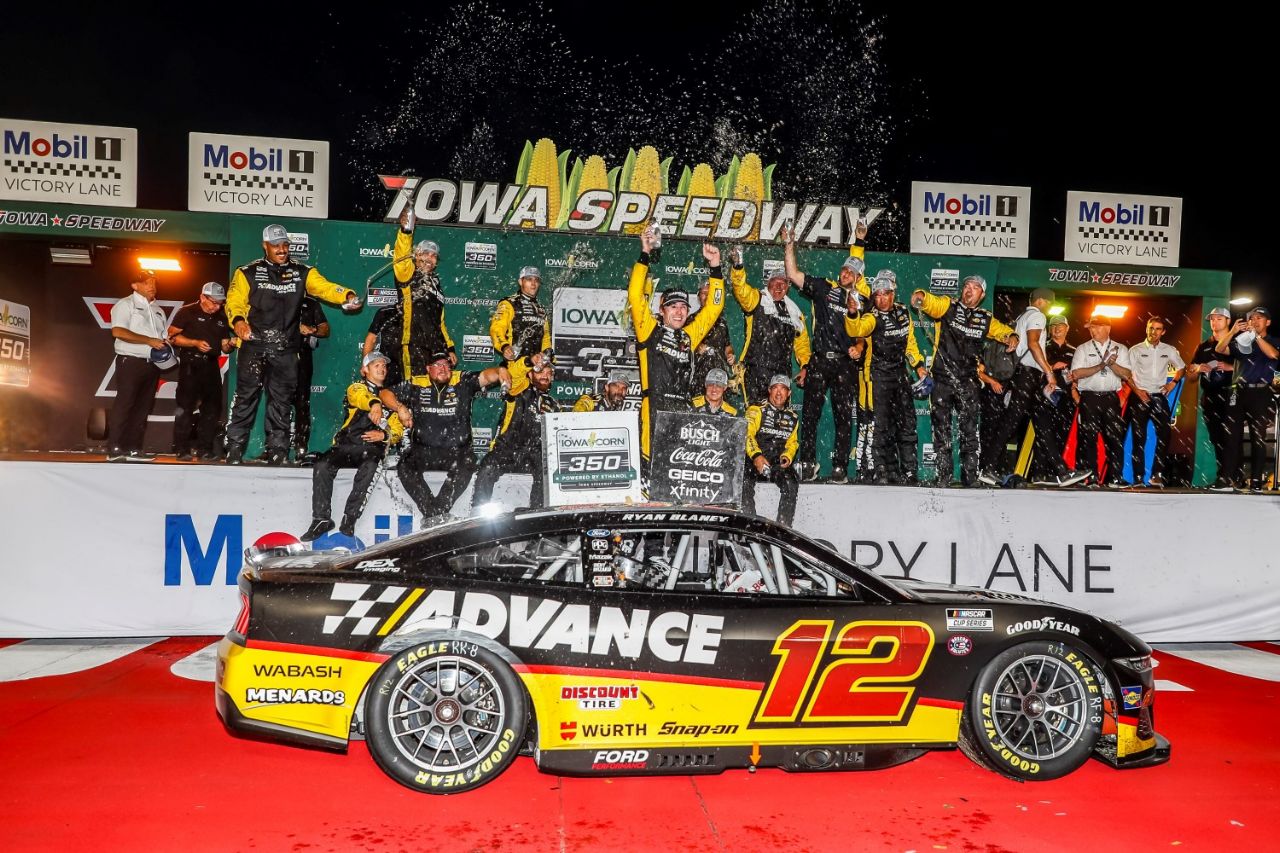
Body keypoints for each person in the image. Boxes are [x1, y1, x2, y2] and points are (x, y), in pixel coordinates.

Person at [225, 224, 360, 466]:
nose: (282, 249)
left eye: (285, 245)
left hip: (286, 349)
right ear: (265, 245)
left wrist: (346, 295)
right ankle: (234, 449)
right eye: (276, 245)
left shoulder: (302, 272)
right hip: (254, 346)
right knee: (246, 398)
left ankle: (277, 451)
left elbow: (325, 287)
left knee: (281, 402)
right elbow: (234, 301)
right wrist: (237, 322)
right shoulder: (247, 272)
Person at [910, 275, 1018, 487]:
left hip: (968, 381)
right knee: (941, 430)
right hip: (942, 379)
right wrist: (921, 296)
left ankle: (970, 477)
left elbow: (1003, 331)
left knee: (969, 431)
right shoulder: (948, 306)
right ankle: (944, 477)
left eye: (975, 287)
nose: (969, 290)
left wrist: (1012, 336)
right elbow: (931, 302)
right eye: (967, 286)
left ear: (982, 294)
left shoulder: (985, 318)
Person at [380, 351, 509, 523]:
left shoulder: (461, 380)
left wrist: (501, 371)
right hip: (423, 451)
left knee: (469, 461)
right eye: (437, 365)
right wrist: (400, 408)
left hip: (457, 452)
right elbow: (384, 394)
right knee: (405, 466)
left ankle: (435, 513)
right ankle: (435, 514)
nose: (443, 369)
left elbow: (487, 376)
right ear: (428, 368)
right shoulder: (417, 383)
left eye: (446, 365)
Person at [628, 231, 725, 460]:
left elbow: (715, 307)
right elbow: (634, 295)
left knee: (678, 465)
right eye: (673, 306)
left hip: (682, 408)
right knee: (652, 465)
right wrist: (645, 253)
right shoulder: (649, 330)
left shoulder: (689, 336)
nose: (679, 311)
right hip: (655, 406)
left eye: (683, 306)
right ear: (662, 310)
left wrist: (716, 267)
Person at [785, 222, 866, 483]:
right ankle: (808, 463)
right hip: (820, 361)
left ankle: (840, 467)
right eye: (844, 269)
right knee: (810, 415)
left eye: (852, 271)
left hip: (845, 365)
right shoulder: (825, 288)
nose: (846, 273)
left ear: (859, 278)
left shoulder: (863, 301)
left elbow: (866, 333)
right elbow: (793, 273)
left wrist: (859, 347)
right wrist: (789, 244)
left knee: (844, 417)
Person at [984, 288, 1088, 488]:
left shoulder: (1022, 316)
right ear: (1043, 301)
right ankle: (986, 467)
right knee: (1010, 423)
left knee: (1041, 424)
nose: (1049, 308)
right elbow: (1033, 344)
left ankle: (1062, 472)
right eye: (1050, 303)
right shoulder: (1037, 316)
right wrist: (1049, 371)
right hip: (1026, 376)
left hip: (1025, 377)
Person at [302, 352, 403, 541]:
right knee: (322, 465)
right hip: (346, 445)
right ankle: (321, 519)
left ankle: (350, 517)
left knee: (372, 464)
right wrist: (374, 404)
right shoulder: (356, 388)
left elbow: (397, 428)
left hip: (371, 450)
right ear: (365, 370)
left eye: (384, 365)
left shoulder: (391, 398)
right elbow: (360, 397)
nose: (382, 368)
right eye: (376, 365)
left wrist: (385, 434)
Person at [843, 270, 927, 484]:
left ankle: (908, 471)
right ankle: (881, 470)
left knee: (907, 424)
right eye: (877, 295)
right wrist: (852, 313)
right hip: (879, 376)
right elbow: (858, 329)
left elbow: (910, 343)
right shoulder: (872, 316)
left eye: (885, 294)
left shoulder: (903, 312)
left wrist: (918, 366)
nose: (881, 299)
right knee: (881, 426)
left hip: (900, 374)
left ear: (893, 294)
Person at [471, 352, 562, 509]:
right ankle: (478, 513)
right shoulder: (519, 389)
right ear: (530, 374)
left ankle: (536, 514)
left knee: (548, 469)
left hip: (535, 453)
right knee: (487, 468)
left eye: (549, 373)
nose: (545, 376)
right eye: (541, 371)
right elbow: (513, 375)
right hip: (507, 448)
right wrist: (528, 361)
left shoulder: (554, 404)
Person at [729, 245, 811, 407]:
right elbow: (741, 290)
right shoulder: (757, 299)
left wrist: (805, 366)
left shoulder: (795, 312)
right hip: (755, 371)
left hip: (781, 375)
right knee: (755, 415)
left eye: (784, 283)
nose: (779, 287)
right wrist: (738, 267)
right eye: (775, 282)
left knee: (779, 420)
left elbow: (802, 344)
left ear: (788, 287)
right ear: (768, 283)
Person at [107, 269, 170, 461]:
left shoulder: (158, 310)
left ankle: (134, 448)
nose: (152, 286)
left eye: (154, 282)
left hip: (152, 363)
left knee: (143, 407)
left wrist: (166, 343)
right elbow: (117, 331)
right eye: (147, 282)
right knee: (125, 404)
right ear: (135, 285)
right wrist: (148, 340)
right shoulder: (125, 304)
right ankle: (115, 448)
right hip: (130, 360)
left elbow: (161, 338)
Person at [169, 282, 233, 461]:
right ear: (202, 297)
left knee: (212, 408)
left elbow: (224, 346)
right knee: (185, 406)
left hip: (211, 365)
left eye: (220, 303)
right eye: (213, 302)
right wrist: (194, 343)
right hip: (190, 363)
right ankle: (182, 449)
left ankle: (205, 449)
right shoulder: (187, 312)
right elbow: (172, 336)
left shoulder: (221, 316)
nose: (216, 306)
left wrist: (230, 345)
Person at [1217, 307, 1279, 490]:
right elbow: (1220, 348)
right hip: (1237, 391)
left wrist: (1257, 336)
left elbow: (1273, 355)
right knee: (1231, 436)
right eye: (1252, 318)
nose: (1254, 321)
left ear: (1267, 322)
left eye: (1259, 318)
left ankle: (1257, 480)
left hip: (1260, 392)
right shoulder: (1242, 341)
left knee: (1257, 437)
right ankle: (1227, 479)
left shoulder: (1274, 341)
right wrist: (1233, 332)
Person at [389, 208, 456, 377]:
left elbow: (439, 321)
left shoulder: (436, 282)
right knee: (414, 391)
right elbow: (401, 254)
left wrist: (449, 347)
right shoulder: (408, 273)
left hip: (436, 348)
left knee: (432, 395)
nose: (429, 258)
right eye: (425, 253)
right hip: (413, 344)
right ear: (416, 255)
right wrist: (406, 232)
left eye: (434, 256)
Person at [1069, 315, 1134, 487]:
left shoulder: (1120, 348)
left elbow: (1127, 374)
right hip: (1089, 398)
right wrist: (1100, 365)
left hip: (1111, 398)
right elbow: (1076, 373)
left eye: (1096, 327)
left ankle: (1115, 478)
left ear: (1108, 328)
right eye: (1090, 327)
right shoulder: (1083, 348)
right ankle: (1091, 477)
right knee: (1088, 438)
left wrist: (1111, 364)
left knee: (1114, 438)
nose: (1092, 330)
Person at [1126, 317, 1186, 487]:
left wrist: (1172, 383)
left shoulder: (1169, 349)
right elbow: (1127, 374)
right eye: (1151, 328)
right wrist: (1138, 391)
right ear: (1146, 329)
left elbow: (1181, 368)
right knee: (1139, 437)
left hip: (1159, 396)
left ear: (1163, 331)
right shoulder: (1135, 350)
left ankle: (1156, 474)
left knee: (1165, 435)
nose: (1154, 332)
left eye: (1158, 329)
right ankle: (1138, 477)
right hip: (1139, 395)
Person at [1187, 307, 1237, 490]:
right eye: (1212, 319)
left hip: (1232, 395)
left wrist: (1231, 367)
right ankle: (1223, 477)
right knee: (1216, 437)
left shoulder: (1237, 343)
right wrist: (1198, 369)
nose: (1215, 323)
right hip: (1210, 396)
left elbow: (1252, 366)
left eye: (1219, 319)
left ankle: (1233, 476)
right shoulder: (1203, 346)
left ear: (1228, 321)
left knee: (1231, 437)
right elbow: (1190, 374)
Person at [743, 375, 800, 526]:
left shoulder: (793, 417)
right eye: (775, 388)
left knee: (791, 481)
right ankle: (749, 526)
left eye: (783, 389)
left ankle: (783, 528)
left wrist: (787, 456)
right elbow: (747, 435)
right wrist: (756, 456)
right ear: (769, 391)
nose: (779, 393)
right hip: (753, 458)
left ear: (789, 393)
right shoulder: (756, 410)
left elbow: (792, 442)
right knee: (743, 481)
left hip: (776, 461)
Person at [291, 295, 330, 458]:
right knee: (277, 402)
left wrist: (312, 330)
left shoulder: (311, 303)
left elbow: (325, 328)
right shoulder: (275, 296)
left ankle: (301, 447)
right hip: (278, 356)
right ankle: (273, 447)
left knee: (302, 402)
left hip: (302, 357)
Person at [490, 266, 551, 365]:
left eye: (537, 280)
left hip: (534, 367)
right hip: (514, 365)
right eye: (529, 279)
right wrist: (504, 347)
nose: (533, 283)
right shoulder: (509, 303)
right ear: (520, 282)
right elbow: (496, 329)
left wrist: (548, 354)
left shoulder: (541, 308)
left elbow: (545, 337)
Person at [689, 276, 736, 394]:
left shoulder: (722, 322)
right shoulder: (691, 320)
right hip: (698, 376)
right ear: (699, 296)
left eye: (710, 293)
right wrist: (696, 347)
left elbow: (727, 346)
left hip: (719, 375)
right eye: (704, 293)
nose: (707, 296)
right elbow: (683, 345)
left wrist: (730, 355)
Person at [977, 337, 1016, 476]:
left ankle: (999, 468)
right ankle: (984, 467)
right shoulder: (989, 348)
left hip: (1008, 392)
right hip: (991, 393)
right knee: (989, 430)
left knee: (1004, 431)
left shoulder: (1016, 350)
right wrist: (992, 381)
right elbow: (979, 372)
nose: (1007, 339)